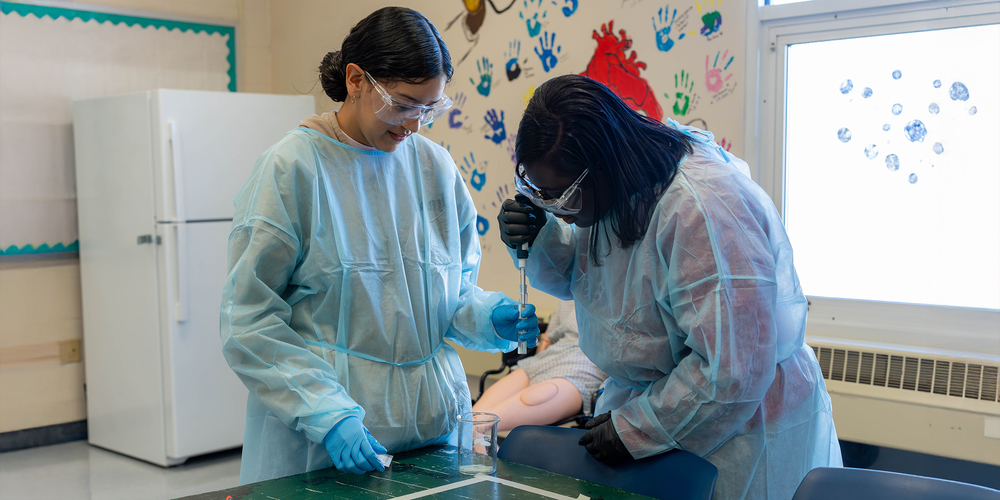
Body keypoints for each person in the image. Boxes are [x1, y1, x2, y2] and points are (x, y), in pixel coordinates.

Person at [219, 7, 539, 485]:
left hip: (431, 434)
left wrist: (488, 316)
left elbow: (445, 298)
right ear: (355, 79)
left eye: (429, 109)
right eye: (405, 104)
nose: (414, 125)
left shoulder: (433, 168)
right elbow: (249, 319)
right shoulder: (292, 171)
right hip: (328, 444)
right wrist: (328, 413)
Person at [497, 74, 842, 500]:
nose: (554, 207)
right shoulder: (619, 186)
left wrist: (640, 427)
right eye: (539, 192)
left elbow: (732, 370)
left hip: (738, 433)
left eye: (560, 195)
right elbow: (597, 285)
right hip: (663, 411)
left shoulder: (705, 208)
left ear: (602, 166)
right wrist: (543, 236)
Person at [472, 300, 607, 431]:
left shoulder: (621, 301)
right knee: (472, 417)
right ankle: (473, 435)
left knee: (481, 423)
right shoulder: (570, 296)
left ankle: (477, 431)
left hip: (586, 366)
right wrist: (537, 360)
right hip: (549, 357)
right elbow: (548, 338)